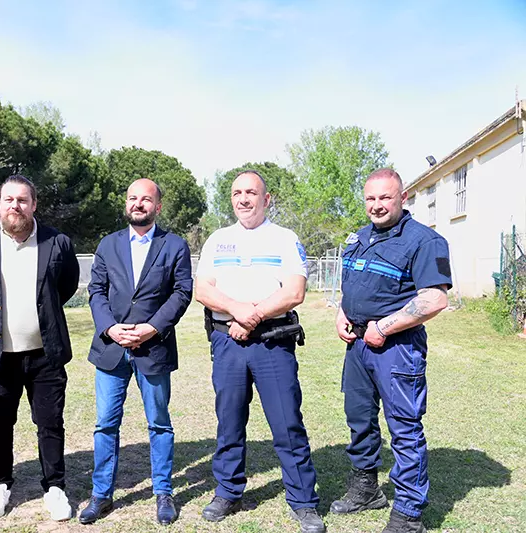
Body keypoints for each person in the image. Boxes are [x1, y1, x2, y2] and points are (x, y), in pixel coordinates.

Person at [195, 170, 325, 533]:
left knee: (286, 423)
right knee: (229, 422)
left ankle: (303, 501)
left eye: (251, 192)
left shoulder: (284, 239)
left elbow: (294, 292)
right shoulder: (218, 240)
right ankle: (228, 491)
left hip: (272, 342)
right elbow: (202, 289)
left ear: (267, 199)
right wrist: (238, 310)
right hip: (227, 342)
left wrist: (249, 317)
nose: (243, 198)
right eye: (237, 192)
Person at [332, 168, 451, 533]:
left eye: (385, 197)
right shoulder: (359, 237)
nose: (377, 205)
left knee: (404, 428)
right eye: (371, 198)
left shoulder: (425, 240)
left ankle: (409, 513)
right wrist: (342, 313)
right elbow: (351, 284)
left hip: (397, 348)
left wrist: (383, 328)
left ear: (402, 198)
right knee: (360, 421)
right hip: (358, 346)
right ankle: (366, 489)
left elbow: (434, 299)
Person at [0, 174, 80, 522]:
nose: (16, 206)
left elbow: (65, 287)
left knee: (50, 422)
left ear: (34, 205)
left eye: (23, 200)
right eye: (9, 199)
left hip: (45, 354)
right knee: (0, 422)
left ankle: (54, 487)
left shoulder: (57, 243)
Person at [79, 179, 193, 526]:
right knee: (105, 425)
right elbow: (96, 290)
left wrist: (152, 328)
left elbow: (182, 292)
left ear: (158, 206)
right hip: (111, 349)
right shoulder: (108, 245)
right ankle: (101, 495)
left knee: (159, 424)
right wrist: (110, 327)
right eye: (132, 198)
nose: (138, 203)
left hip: (153, 348)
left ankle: (163, 492)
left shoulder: (174, 245)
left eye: (146, 199)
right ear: (126, 204)